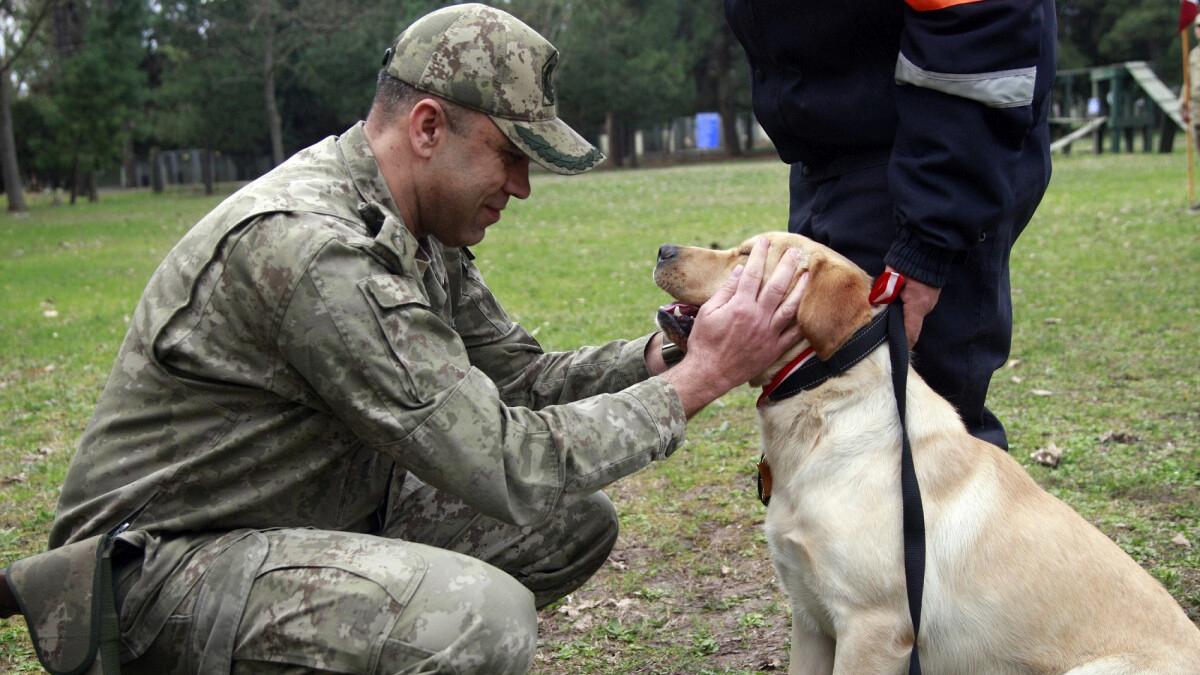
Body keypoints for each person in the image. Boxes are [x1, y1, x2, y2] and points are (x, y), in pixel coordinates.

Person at [0, 4, 808, 674]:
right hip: (156, 573)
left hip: (290, 517)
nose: (522, 188)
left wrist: (662, 354)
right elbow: (503, 462)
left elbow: (519, 379)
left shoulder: (417, 225)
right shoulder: (317, 250)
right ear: (428, 127)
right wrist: (702, 379)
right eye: (511, 155)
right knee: (479, 620)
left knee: (572, 522)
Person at [724, 0, 1056, 450]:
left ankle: (932, 523)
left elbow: (979, 23)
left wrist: (929, 238)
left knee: (911, 430)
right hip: (831, 155)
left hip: (920, 156)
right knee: (827, 407)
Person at [1180, 16, 1200, 155]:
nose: (1199, 30)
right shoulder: (1193, 54)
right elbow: (1188, 81)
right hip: (1197, 109)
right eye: (1197, 27)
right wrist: (1183, 104)